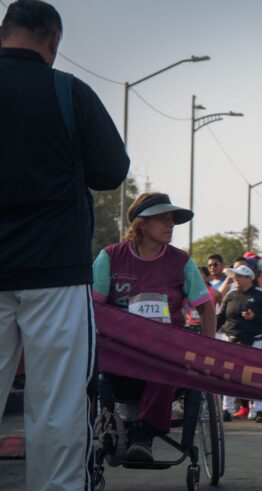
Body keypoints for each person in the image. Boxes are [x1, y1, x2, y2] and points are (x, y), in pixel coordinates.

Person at [0, 1, 129, 488]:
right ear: (54, 41)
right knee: (56, 408)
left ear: (1, 32)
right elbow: (112, 171)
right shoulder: (68, 92)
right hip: (54, 273)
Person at [92, 193, 215, 462]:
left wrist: (210, 345)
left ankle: (143, 433)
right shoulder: (110, 257)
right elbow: (93, 307)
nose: (170, 225)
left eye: (171, 221)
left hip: (165, 350)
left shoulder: (180, 261)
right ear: (141, 224)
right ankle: (111, 426)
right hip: (120, 350)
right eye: (162, 220)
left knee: (169, 365)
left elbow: (205, 305)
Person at [217, 264, 262, 423]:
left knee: (256, 376)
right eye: (234, 277)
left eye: (239, 277)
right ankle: (226, 409)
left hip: (254, 340)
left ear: (249, 278)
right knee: (228, 376)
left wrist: (254, 316)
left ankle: (258, 410)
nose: (235, 279)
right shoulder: (230, 294)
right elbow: (221, 316)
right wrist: (208, 332)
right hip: (230, 339)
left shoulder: (261, 294)